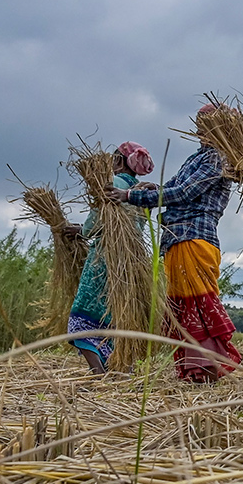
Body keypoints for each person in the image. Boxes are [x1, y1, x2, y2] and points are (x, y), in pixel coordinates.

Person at [106, 104, 242, 383]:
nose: (198, 129)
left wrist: (129, 197)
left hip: (195, 237)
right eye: (199, 124)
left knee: (199, 305)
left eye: (204, 125)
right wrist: (148, 190)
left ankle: (208, 370)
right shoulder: (199, 157)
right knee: (183, 307)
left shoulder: (217, 158)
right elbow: (172, 188)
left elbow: (184, 192)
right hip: (178, 238)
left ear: (218, 127)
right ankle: (194, 372)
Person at [66, 141, 154, 373]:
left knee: (82, 317)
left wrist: (81, 232)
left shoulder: (112, 184)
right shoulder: (142, 190)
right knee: (119, 313)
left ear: (117, 161)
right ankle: (118, 367)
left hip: (106, 257)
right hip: (133, 260)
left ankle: (98, 372)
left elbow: (94, 224)